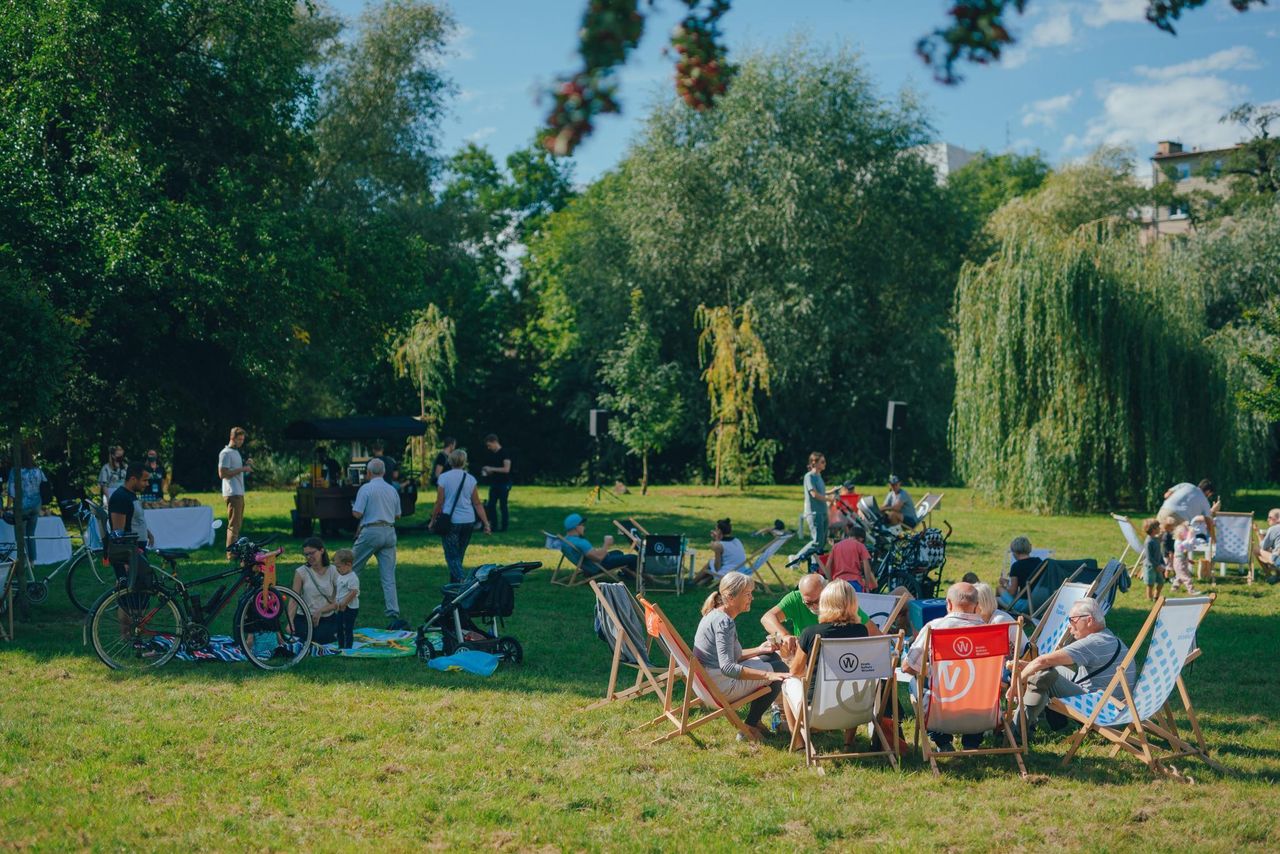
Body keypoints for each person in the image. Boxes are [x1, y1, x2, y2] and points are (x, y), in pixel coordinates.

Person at [1012, 597, 1137, 734]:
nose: (1069, 625)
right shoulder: (1109, 638)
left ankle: (1017, 730)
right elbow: (1045, 662)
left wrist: (1015, 685)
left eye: (1072, 620)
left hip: (1102, 713)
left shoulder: (1093, 643)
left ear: (1089, 620)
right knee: (1052, 669)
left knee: (1045, 674)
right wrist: (1031, 667)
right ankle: (1050, 721)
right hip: (1117, 709)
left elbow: (1043, 661)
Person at [692, 571, 790, 741]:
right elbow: (728, 667)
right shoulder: (724, 623)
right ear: (730, 597)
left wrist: (759, 650)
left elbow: (729, 657)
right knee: (779, 671)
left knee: (773, 658)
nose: (751, 598)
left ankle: (755, 721)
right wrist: (769, 675)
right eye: (747, 594)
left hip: (707, 682)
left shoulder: (715, 614)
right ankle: (749, 727)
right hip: (721, 686)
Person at [780, 580, 877, 739]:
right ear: (853, 604)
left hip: (816, 713)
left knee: (787, 681)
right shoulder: (861, 631)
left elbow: (795, 672)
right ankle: (848, 743)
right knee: (852, 680)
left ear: (824, 603)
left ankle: (798, 743)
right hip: (856, 711)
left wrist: (789, 658)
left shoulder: (810, 633)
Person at [902, 582, 987, 751]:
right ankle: (972, 743)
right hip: (982, 711)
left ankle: (943, 741)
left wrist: (931, 671)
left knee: (914, 683)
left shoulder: (934, 628)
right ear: (977, 606)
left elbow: (908, 666)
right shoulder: (990, 633)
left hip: (942, 711)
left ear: (948, 604)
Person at [351, 458, 403, 628]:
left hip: (371, 531)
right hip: (389, 530)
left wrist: (353, 507)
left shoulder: (366, 489)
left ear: (368, 472)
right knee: (388, 575)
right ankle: (393, 610)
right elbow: (398, 515)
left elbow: (357, 514)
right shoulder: (391, 489)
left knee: (351, 568)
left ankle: (345, 602)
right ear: (384, 472)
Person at [430, 448, 491, 583]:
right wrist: (486, 523)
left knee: (451, 556)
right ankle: (455, 583)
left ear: (450, 461)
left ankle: (462, 581)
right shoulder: (470, 479)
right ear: (464, 462)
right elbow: (477, 503)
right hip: (468, 520)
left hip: (451, 521)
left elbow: (439, 502)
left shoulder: (444, 477)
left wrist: (433, 520)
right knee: (459, 554)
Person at [289, 537, 341, 645]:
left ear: (322, 551)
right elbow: (294, 599)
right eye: (306, 554)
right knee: (305, 640)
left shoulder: (333, 570)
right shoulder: (301, 572)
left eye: (312, 553)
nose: (309, 557)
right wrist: (290, 621)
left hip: (327, 616)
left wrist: (321, 611)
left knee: (323, 639)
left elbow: (338, 600)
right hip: (305, 617)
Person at [559, 513, 637, 577]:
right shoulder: (581, 542)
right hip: (597, 567)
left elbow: (592, 555)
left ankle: (627, 574)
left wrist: (601, 551)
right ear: (576, 527)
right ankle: (638, 578)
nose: (584, 527)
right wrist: (606, 544)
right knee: (633, 558)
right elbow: (598, 558)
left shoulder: (566, 540)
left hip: (588, 565)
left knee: (618, 552)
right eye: (582, 525)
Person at [7, 449, 48, 562]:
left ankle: (23, 560)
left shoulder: (15, 471)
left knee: (20, 535)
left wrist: (9, 507)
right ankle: (32, 560)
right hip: (36, 505)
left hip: (22, 506)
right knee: (31, 534)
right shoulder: (38, 470)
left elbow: (11, 491)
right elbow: (45, 485)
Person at [218, 427, 252, 551]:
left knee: (237, 524)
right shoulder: (225, 453)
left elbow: (237, 472)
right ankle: (231, 553)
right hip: (232, 492)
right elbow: (222, 474)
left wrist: (246, 466)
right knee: (233, 524)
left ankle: (235, 550)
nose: (241, 442)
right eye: (239, 439)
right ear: (232, 438)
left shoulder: (236, 452)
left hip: (239, 491)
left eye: (242, 439)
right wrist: (242, 469)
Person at [691, 518, 748, 586]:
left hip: (728, 575)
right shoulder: (737, 540)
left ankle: (693, 582)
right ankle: (700, 583)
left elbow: (717, 567)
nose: (714, 531)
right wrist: (717, 539)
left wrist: (714, 544)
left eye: (716, 529)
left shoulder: (718, 545)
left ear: (719, 531)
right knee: (713, 565)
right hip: (741, 571)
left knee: (710, 563)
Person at [801, 452, 832, 560]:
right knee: (817, 541)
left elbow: (821, 492)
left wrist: (832, 491)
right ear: (814, 463)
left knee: (822, 542)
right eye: (822, 462)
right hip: (814, 513)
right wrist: (829, 499)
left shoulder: (819, 476)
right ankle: (796, 559)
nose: (825, 464)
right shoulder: (809, 476)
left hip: (823, 511)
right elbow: (814, 494)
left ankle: (815, 563)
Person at [479, 433, 513, 532]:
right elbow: (495, 470)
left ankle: (504, 527)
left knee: (503, 505)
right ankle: (493, 525)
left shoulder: (504, 453)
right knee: (491, 505)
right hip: (494, 483)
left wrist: (491, 468)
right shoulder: (492, 455)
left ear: (495, 442)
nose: (488, 448)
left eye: (489, 445)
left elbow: (506, 469)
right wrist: (487, 471)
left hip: (504, 483)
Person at [826, 527, 875, 591]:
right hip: (854, 582)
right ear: (861, 538)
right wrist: (867, 585)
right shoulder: (860, 546)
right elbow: (866, 566)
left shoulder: (836, 546)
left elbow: (828, 566)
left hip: (838, 583)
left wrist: (830, 582)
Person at [998, 536, 1039, 611]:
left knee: (999, 589)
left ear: (1015, 552)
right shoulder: (1039, 562)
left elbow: (1012, 592)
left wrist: (1005, 584)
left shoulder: (1016, 566)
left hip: (1025, 605)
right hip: (1040, 603)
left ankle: (1001, 612)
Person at [332, 548, 360, 649]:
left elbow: (353, 592)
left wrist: (344, 603)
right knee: (339, 627)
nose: (337, 569)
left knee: (347, 628)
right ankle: (340, 646)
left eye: (339, 566)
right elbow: (339, 591)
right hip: (340, 607)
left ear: (348, 564)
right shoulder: (341, 576)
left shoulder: (352, 577)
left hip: (350, 608)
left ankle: (348, 647)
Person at [1169, 523, 1201, 595]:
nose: (1186, 534)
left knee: (1179, 576)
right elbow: (1183, 548)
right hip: (1179, 562)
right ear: (1180, 534)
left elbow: (1184, 552)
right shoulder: (1178, 542)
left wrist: (1189, 560)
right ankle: (1191, 590)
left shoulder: (1181, 542)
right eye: (1185, 532)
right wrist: (1190, 537)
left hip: (1181, 561)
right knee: (1186, 577)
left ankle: (1174, 588)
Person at [1140, 518, 1166, 601]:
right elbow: (1149, 557)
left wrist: (1162, 563)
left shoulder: (1156, 539)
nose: (1160, 528)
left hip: (1158, 565)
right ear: (1153, 529)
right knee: (1150, 584)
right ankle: (1149, 598)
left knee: (1161, 582)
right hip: (1150, 567)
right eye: (1158, 527)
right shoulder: (1148, 542)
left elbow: (1159, 553)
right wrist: (1156, 565)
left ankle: (1156, 596)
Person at [1259, 509, 1280, 582]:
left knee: (1256, 550)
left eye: (1270, 517)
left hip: (1278, 560)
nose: (1268, 519)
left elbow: (1263, 547)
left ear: (1278, 519)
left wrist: (1258, 534)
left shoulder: (1274, 529)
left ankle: (1269, 576)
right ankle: (1278, 575)